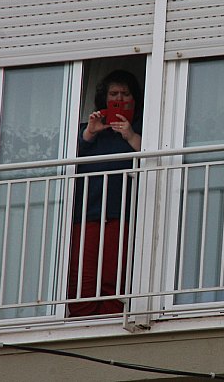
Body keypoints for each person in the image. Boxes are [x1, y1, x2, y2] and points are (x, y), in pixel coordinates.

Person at [67, 70, 143, 317]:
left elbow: (153, 153)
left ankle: (110, 324)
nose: (119, 98)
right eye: (113, 94)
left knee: (115, 277)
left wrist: (130, 135)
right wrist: (90, 132)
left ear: (134, 99)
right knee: (82, 279)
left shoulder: (141, 127)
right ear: (104, 99)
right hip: (86, 214)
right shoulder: (86, 129)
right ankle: (81, 325)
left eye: (125, 94)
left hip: (122, 213)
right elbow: (68, 161)